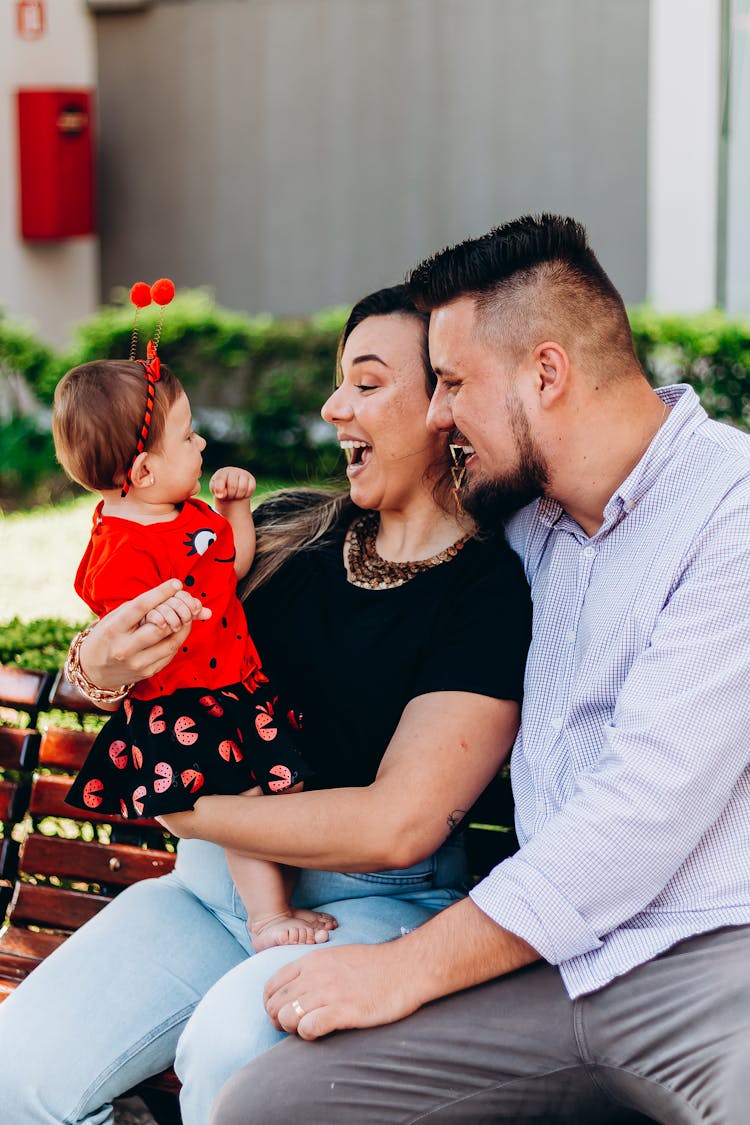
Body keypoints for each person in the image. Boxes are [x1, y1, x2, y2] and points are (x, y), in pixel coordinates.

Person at [210, 215, 750, 1125]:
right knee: (271, 1105)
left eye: (453, 382)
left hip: (710, 964)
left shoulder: (728, 512)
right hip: (550, 969)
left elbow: (638, 815)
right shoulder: (524, 518)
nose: (435, 414)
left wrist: (406, 966)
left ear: (547, 373)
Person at [0, 284, 531, 1124]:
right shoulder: (281, 535)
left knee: (232, 1058)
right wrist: (98, 663)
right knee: (17, 1074)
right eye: (336, 381)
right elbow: (148, 655)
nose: (332, 406)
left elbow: (400, 825)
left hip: (369, 902)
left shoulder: (487, 589)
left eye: (364, 382)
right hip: (208, 893)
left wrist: (190, 810)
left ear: (444, 403)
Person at [52, 355, 332, 950]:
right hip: (187, 709)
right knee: (246, 803)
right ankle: (268, 919)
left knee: (279, 789)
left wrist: (233, 510)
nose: (201, 441)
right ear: (146, 469)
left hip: (234, 685)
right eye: (186, 434)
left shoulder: (185, 513)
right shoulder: (123, 548)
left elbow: (230, 567)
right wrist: (160, 616)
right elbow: (123, 623)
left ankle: (275, 903)